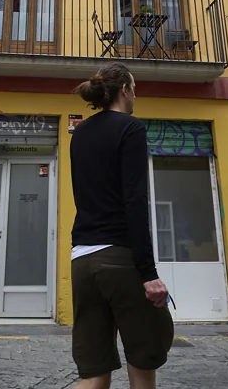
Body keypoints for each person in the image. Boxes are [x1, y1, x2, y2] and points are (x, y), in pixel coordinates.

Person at [70, 63, 173, 388]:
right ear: (125, 90)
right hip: (119, 260)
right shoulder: (131, 128)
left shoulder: (80, 132)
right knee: (142, 361)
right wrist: (148, 273)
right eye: (135, 88)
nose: (136, 94)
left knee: (94, 373)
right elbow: (135, 203)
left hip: (82, 261)